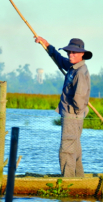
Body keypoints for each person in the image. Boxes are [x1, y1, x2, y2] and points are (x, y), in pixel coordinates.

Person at [34, 37, 92, 177]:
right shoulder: (74, 67)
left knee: (66, 150)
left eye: (74, 53)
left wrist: (73, 114)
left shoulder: (80, 72)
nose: (70, 55)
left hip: (72, 116)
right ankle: (78, 179)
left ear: (82, 54)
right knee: (74, 150)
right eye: (69, 52)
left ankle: (68, 182)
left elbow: (79, 98)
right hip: (74, 115)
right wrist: (47, 45)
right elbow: (59, 60)